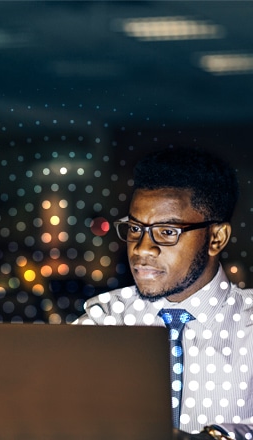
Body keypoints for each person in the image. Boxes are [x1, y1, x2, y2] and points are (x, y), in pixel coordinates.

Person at [73, 147, 253, 440]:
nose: (142, 248)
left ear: (216, 238)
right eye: (135, 228)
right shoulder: (103, 320)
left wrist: (213, 437)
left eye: (167, 232)